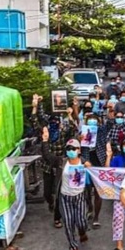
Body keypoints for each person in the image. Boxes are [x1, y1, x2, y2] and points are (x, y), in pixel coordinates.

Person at [41, 131, 90, 250]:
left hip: (79, 197)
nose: (71, 151)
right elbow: (47, 156)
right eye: (68, 148)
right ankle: (73, 246)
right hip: (64, 197)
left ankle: (82, 231)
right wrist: (45, 141)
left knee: (81, 221)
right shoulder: (61, 162)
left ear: (79, 150)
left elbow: (96, 175)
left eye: (74, 148)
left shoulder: (84, 163)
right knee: (68, 222)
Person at [30, 94, 76, 229]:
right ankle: (50, 203)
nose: (56, 124)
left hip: (60, 165)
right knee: (47, 193)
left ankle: (57, 217)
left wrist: (70, 115)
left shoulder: (63, 132)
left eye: (58, 122)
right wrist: (35, 106)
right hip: (47, 166)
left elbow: (74, 130)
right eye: (53, 122)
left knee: (58, 192)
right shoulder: (45, 132)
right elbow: (34, 120)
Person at [81, 113, 109, 228]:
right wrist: (84, 160)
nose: (92, 122)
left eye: (94, 120)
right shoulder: (82, 133)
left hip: (99, 164)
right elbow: (78, 150)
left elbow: (110, 124)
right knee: (87, 190)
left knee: (98, 192)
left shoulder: (102, 132)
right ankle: (90, 208)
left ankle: (96, 217)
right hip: (87, 164)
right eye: (90, 120)